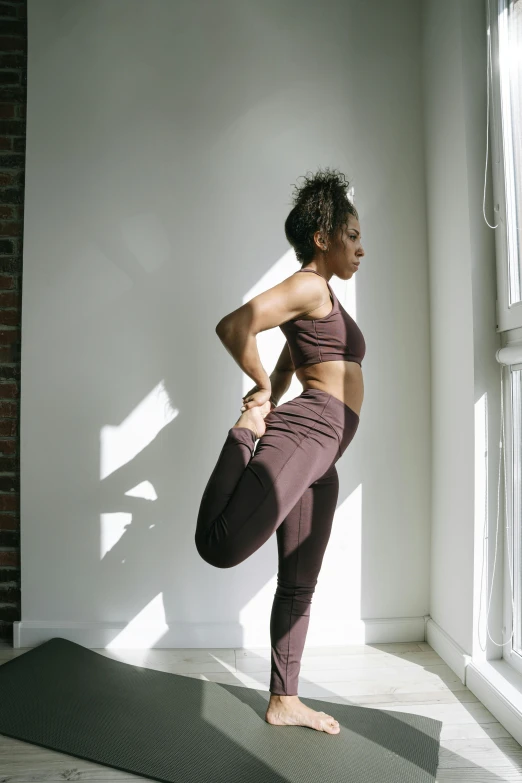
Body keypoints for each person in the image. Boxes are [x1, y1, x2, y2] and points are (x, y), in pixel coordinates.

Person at [195, 167, 366, 735]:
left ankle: (283, 700)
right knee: (220, 547)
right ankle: (243, 432)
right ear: (324, 237)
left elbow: (297, 353)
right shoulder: (311, 286)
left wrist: (277, 377)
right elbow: (234, 326)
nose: (361, 248)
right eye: (353, 235)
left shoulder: (322, 300)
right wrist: (261, 401)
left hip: (324, 452)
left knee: (299, 582)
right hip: (308, 433)